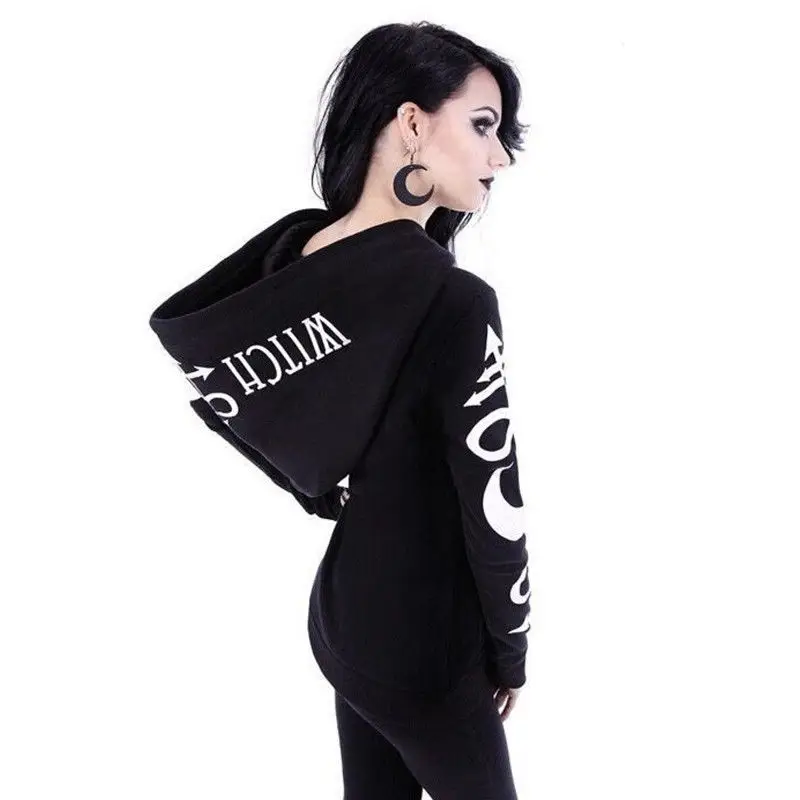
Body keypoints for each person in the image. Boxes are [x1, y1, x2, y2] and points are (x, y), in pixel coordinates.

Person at [148, 20, 531, 800]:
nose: (499, 158)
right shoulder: (453, 299)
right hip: (429, 638)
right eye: (483, 126)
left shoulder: (292, 264)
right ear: (413, 122)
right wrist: (511, 646)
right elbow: (492, 492)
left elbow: (235, 400)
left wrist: (321, 487)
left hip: (346, 618)